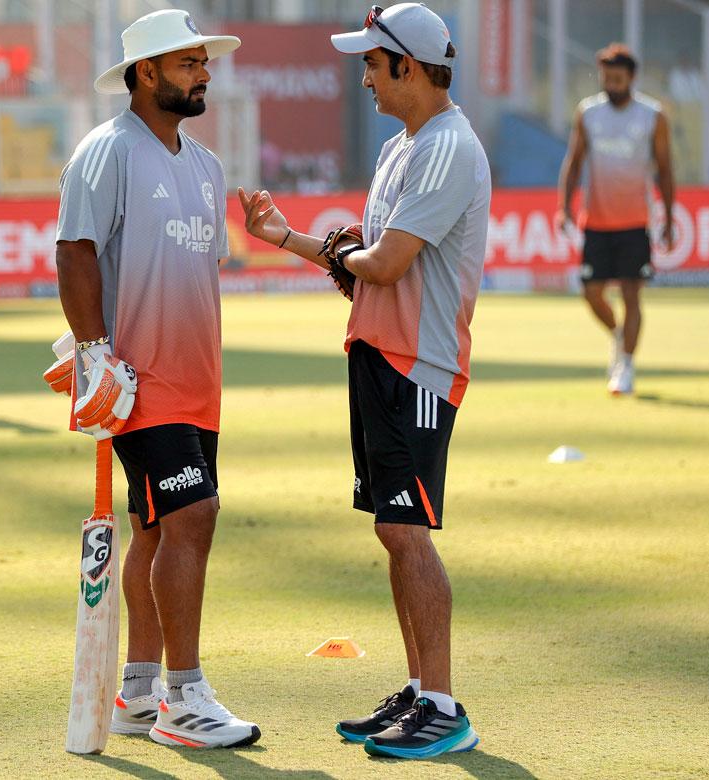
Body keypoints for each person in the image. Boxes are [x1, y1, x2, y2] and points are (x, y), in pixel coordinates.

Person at [240, 2, 488, 760]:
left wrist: (343, 253)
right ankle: (419, 691)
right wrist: (286, 237)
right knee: (392, 529)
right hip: (380, 352)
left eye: (373, 65)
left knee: (408, 530)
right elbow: (366, 263)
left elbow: (382, 263)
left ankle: (443, 707)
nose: (365, 78)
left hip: (419, 364)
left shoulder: (447, 147)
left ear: (409, 66)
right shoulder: (401, 147)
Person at [55, 9, 259, 750]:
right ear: (146, 73)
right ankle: (185, 698)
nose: (204, 75)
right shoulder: (106, 151)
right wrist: (93, 352)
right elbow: (74, 251)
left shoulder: (206, 166)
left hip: (199, 383)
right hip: (139, 382)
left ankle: (138, 693)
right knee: (193, 517)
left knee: (155, 526)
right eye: (188, 63)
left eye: (204, 62)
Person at [555, 43, 675, 396]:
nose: (611, 85)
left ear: (631, 78)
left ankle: (626, 366)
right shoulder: (588, 113)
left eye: (618, 79)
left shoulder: (653, 116)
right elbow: (574, 162)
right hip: (596, 221)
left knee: (631, 294)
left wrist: (669, 217)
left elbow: (665, 169)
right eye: (606, 78)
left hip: (636, 222)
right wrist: (564, 206)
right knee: (591, 294)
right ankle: (619, 335)